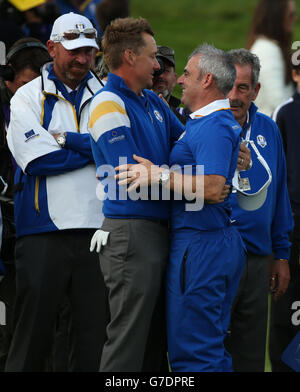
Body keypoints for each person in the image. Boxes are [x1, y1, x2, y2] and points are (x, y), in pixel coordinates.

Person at [115, 43, 247, 372]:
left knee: (195, 354)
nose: (178, 81)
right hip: (208, 242)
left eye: (186, 74)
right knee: (202, 346)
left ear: (207, 81)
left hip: (202, 243)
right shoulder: (205, 123)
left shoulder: (214, 125)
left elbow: (214, 188)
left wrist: (156, 175)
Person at [5, 12, 108, 372]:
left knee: (93, 345)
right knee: (32, 341)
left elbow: (122, 151)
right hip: (42, 234)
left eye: (89, 51)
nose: (82, 59)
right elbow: (37, 161)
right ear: (52, 48)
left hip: (100, 234)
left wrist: (65, 141)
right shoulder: (27, 97)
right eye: (74, 50)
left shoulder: (109, 96)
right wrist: (96, 149)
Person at [88, 16, 186, 372]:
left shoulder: (154, 102)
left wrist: (223, 148)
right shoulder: (107, 103)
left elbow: (187, 146)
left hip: (157, 230)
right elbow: (132, 176)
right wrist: (184, 178)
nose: (158, 65)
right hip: (131, 233)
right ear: (130, 57)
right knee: (128, 342)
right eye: (152, 56)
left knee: (155, 340)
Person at [224, 48, 293, 372]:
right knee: (212, 351)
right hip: (215, 256)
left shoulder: (268, 129)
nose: (235, 96)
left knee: (251, 356)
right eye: (230, 86)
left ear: (256, 91)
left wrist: (281, 255)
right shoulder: (203, 125)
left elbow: (279, 197)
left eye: (243, 88)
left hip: (257, 260)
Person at [0, 37, 52, 371]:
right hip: (6, 241)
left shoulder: (56, 106)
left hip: (44, 235)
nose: (31, 93)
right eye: (24, 85)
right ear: (9, 80)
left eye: (38, 86)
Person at [270, 62, 300, 372]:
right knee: (287, 298)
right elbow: (279, 172)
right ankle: (284, 366)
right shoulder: (286, 112)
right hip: (295, 221)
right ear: (294, 75)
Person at [247, 0, 296, 117]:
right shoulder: (267, 50)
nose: (295, 19)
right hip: (272, 128)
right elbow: (278, 102)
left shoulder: (269, 46)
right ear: (277, 17)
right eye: (291, 14)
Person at [152, 45, 187, 124]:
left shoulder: (185, 115)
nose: (160, 75)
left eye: (166, 71)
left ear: (175, 79)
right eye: (156, 70)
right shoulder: (132, 109)